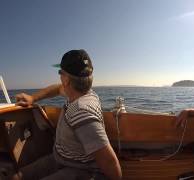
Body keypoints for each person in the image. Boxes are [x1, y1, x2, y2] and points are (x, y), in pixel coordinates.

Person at [13, 49, 122, 180]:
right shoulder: (84, 92)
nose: (60, 77)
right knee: (17, 177)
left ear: (66, 80)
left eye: (60, 72)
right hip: (61, 159)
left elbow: (109, 162)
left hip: (82, 169)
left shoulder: (82, 112)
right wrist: (32, 98)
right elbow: (57, 89)